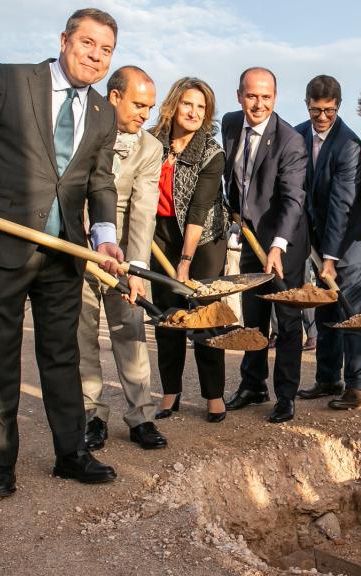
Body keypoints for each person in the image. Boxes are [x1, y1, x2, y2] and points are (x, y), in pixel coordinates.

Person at [0, 9, 123, 500]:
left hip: (64, 253)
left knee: (61, 355)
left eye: (106, 50)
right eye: (88, 43)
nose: (96, 56)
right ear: (64, 40)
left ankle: (71, 454)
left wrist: (105, 236)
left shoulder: (103, 112)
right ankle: (0, 464)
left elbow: (100, 181)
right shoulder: (12, 80)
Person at [78, 66, 167, 450]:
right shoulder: (83, 128)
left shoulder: (150, 148)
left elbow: (143, 211)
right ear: (114, 97)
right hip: (79, 249)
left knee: (130, 333)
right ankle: (92, 415)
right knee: (82, 335)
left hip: (124, 256)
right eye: (138, 105)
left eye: (149, 107)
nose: (145, 115)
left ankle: (141, 417)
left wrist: (136, 269)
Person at [222, 67, 307, 423]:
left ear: (276, 97)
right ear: (239, 96)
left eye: (266, 97)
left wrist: (277, 245)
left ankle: (285, 396)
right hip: (251, 235)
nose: (259, 104)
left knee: (287, 320)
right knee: (253, 314)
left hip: (285, 242)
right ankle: (253, 384)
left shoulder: (290, 140)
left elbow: (293, 199)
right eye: (252, 96)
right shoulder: (230, 123)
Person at [149, 77, 229, 423]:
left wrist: (185, 261)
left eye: (201, 107)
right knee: (168, 315)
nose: (194, 112)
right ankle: (171, 392)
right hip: (161, 235)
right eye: (188, 104)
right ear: (173, 106)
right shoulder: (151, 142)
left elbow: (198, 209)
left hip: (204, 238)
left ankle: (214, 394)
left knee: (204, 315)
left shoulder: (211, 152)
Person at [293, 75, 361, 410]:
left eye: (329, 110)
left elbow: (342, 205)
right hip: (318, 240)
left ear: (338, 106)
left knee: (351, 312)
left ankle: (357, 386)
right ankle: (328, 378)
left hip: (350, 240)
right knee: (326, 308)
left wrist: (330, 258)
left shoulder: (349, 145)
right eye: (316, 110)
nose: (322, 117)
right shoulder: (297, 135)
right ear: (307, 105)